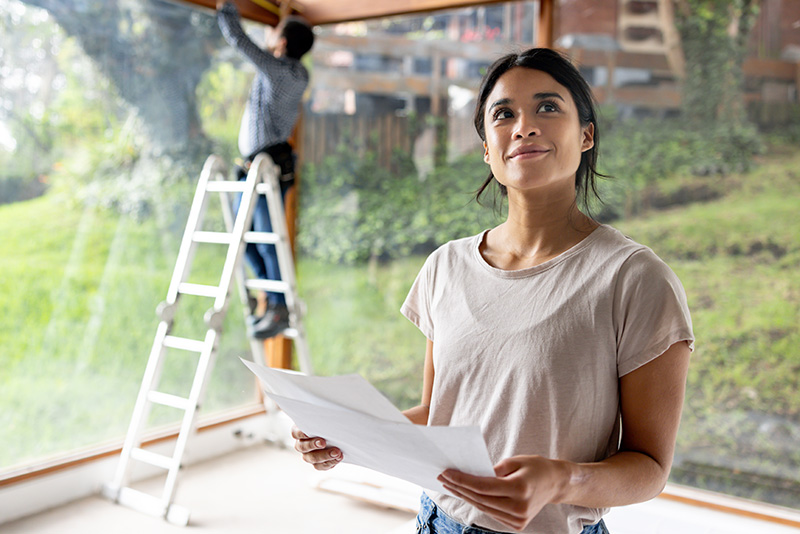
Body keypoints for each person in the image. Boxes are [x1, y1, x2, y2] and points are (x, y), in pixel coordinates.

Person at [291, 48, 694, 534]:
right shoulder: (446, 265)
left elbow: (649, 468)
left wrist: (560, 481)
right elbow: (440, 415)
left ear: (586, 134)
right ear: (487, 148)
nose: (524, 126)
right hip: (437, 521)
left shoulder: (634, 278)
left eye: (548, 107)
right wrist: (347, 434)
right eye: (503, 114)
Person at [216, 1, 314, 339]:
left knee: (266, 241)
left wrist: (227, 9)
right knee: (244, 241)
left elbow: (240, 41)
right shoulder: (297, 73)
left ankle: (277, 306)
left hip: (266, 167)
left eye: (277, 34)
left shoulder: (278, 71)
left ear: (283, 43)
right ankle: (271, 300)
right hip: (258, 166)